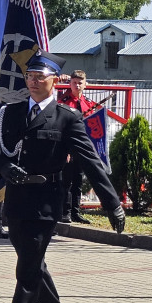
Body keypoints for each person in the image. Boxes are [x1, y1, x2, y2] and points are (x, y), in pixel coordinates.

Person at [0, 51, 125, 303]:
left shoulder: (67, 118)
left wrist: (113, 204)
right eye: (29, 77)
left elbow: (91, 163)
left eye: (39, 77)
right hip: (16, 199)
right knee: (33, 261)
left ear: (55, 82)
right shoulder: (10, 112)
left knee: (27, 269)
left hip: (45, 201)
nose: (32, 82)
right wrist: (3, 168)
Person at [57, 69, 96, 224]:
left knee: (78, 181)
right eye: (74, 83)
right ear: (70, 84)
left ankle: (75, 212)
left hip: (82, 148)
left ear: (85, 84)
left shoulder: (88, 103)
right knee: (66, 181)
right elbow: (60, 127)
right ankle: (64, 212)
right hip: (67, 148)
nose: (77, 85)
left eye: (80, 83)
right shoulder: (63, 101)